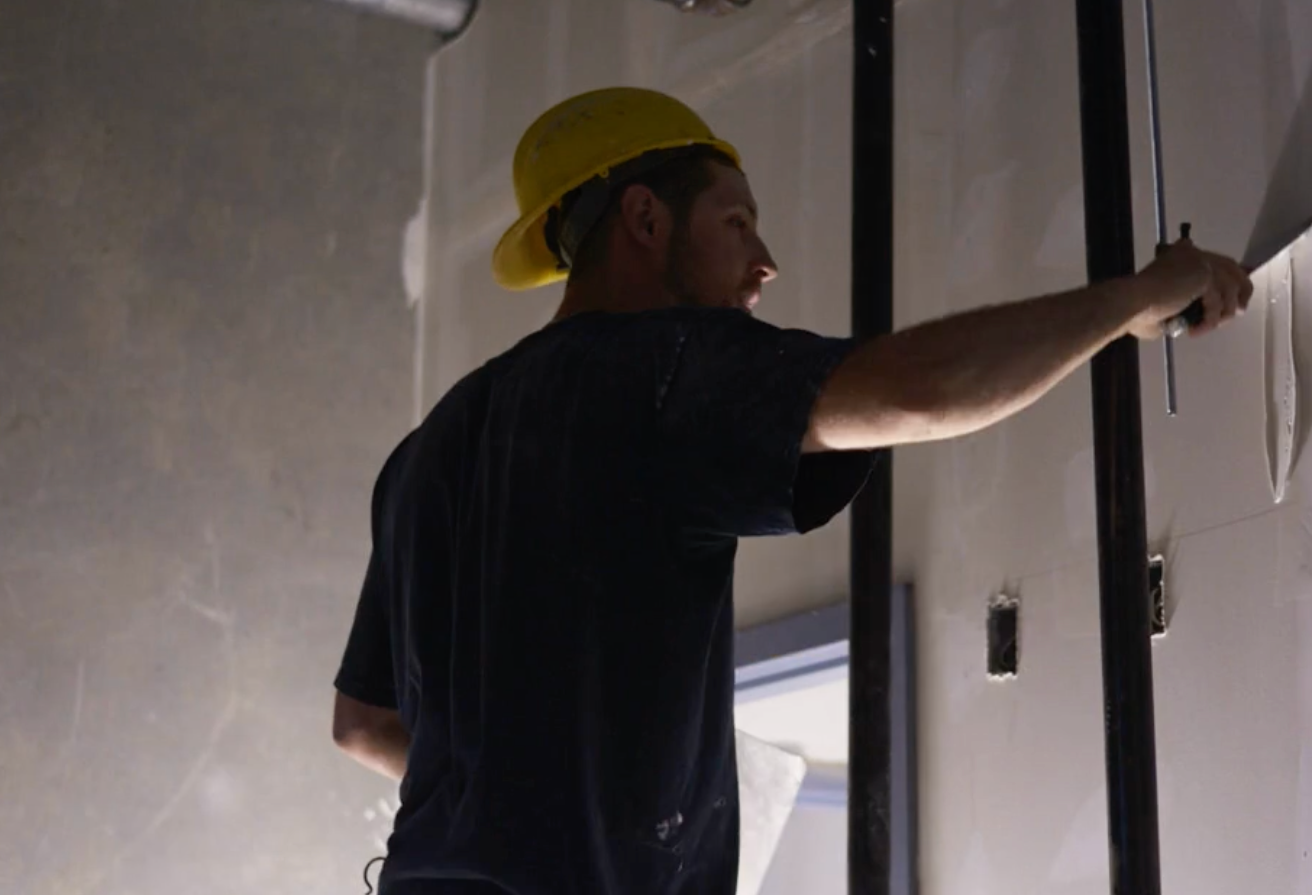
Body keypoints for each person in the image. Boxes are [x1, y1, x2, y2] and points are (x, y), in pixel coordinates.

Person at [329, 87, 1250, 895]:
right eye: (736, 222)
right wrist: (1137, 298)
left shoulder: (427, 451)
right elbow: (915, 388)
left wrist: (531, 802)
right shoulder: (655, 368)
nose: (764, 260)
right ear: (645, 219)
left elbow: (366, 725)